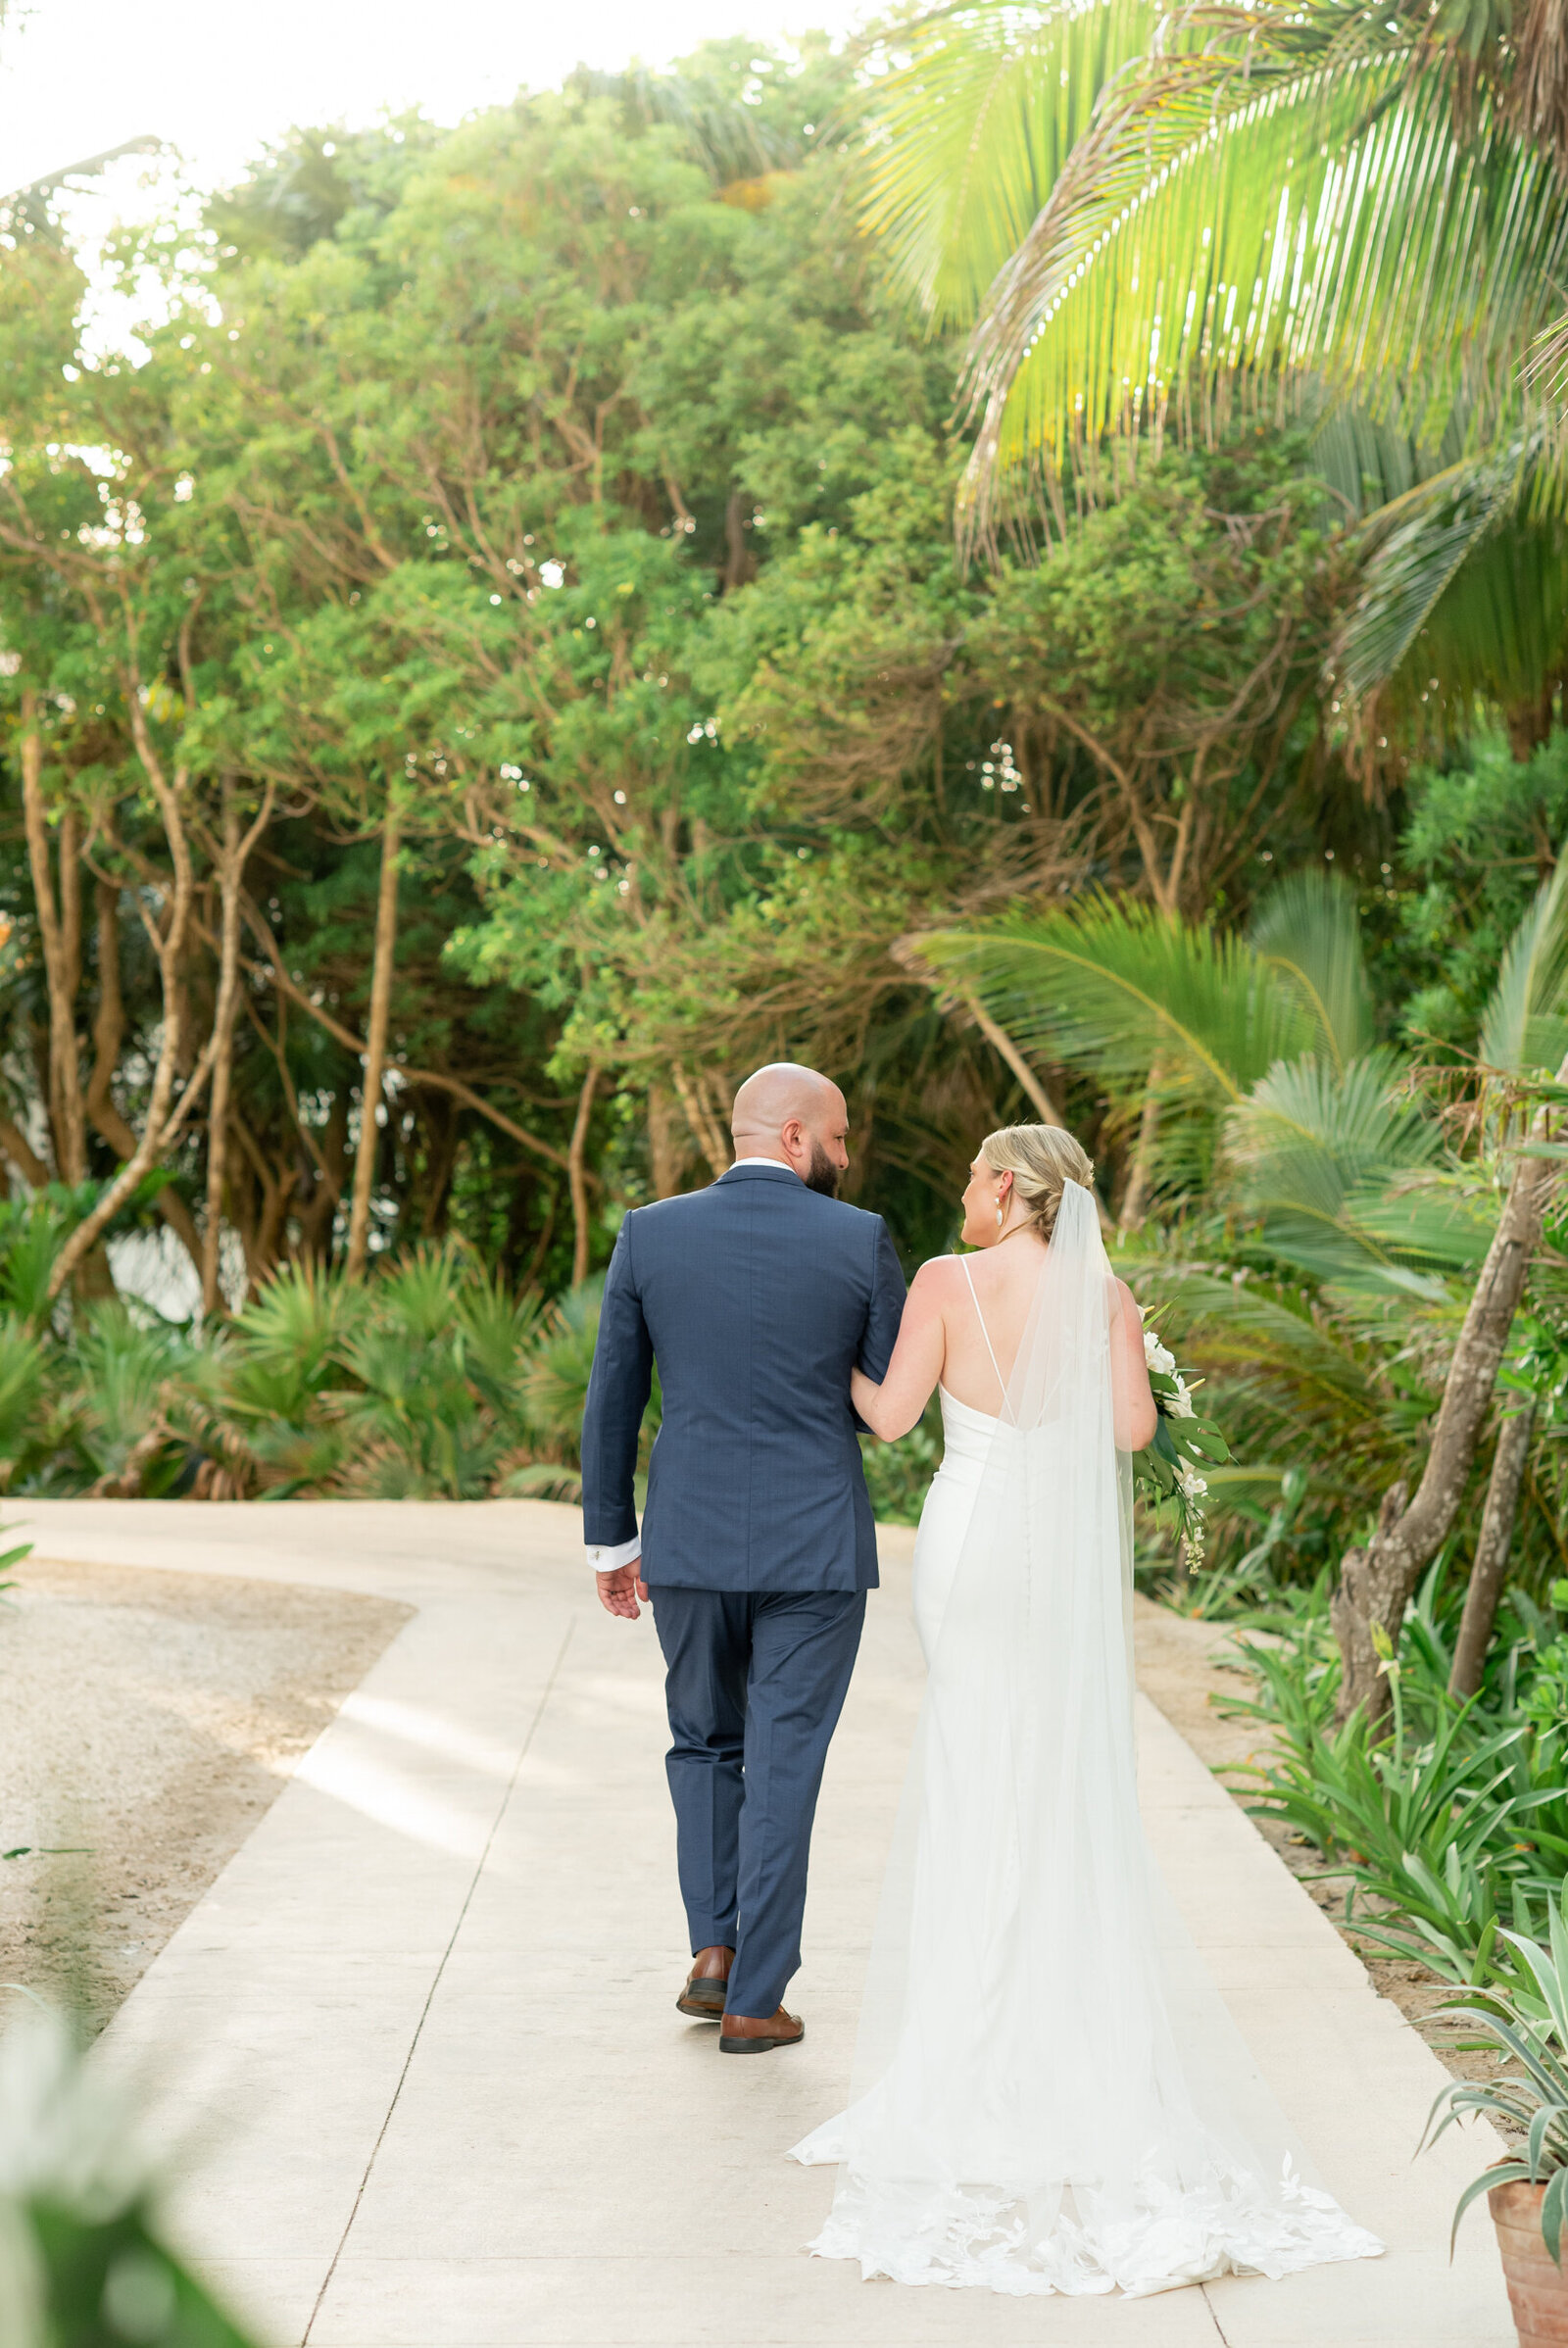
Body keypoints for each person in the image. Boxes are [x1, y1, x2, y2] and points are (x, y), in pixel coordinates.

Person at [790, 1123, 1383, 2296]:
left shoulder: (945, 1282)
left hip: (966, 1546)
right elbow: (1129, 1431)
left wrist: (817, 1364)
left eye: (969, 1174)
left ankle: (969, 2039)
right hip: (1052, 1556)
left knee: (973, 1765)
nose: (961, 1191)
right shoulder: (1101, 1289)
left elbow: (893, 1416)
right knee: (1050, 1775)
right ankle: (1060, 2029)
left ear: (1007, 1188)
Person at [580, 1062, 906, 2052]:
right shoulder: (859, 1239)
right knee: (784, 1762)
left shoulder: (651, 1231)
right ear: (797, 1133)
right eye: (840, 1138)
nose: (847, 1158)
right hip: (814, 1547)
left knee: (703, 1742)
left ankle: (713, 1951)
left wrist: (612, 1537)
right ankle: (756, 1998)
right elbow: (888, 1390)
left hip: (689, 1540)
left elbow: (613, 1397)